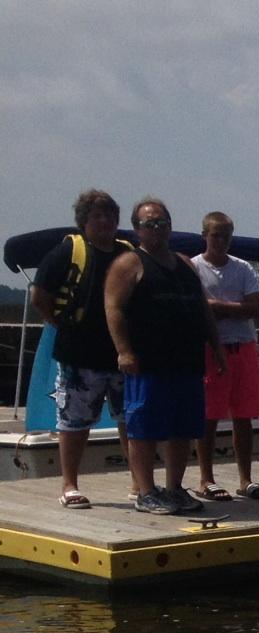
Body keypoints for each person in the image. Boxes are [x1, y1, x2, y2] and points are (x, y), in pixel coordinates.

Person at [104, 198, 224, 515]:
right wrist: (124, 351)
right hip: (148, 362)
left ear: (169, 226)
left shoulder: (185, 263)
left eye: (161, 223)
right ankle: (146, 491)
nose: (156, 229)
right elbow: (113, 309)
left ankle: (174, 488)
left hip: (186, 360)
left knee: (182, 429)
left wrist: (216, 344)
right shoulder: (129, 264)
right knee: (143, 429)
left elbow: (202, 308)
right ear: (137, 230)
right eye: (149, 224)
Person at [29, 189, 129, 509]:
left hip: (122, 353)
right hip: (78, 354)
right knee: (74, 423)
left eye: (110, 215)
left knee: (132, 419)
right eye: (97, 216)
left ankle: (141, 483)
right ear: (84, 221)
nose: (105, 222)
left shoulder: (128, 253)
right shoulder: (68, 252)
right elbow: (39, 296)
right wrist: (60, 323)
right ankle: (69, 484)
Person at [191, 211, 259, 500]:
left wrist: (218, 307)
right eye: (216, 235)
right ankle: (206, 478)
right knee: (209, 416)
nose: (221, 241)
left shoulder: (243, 268)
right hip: (212, 348)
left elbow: (256, 308)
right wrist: (232, 308)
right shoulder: (195, 268)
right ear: (205, 236)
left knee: (244, 415)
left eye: (226, 236)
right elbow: (198, 309)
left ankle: (245, 478)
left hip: (244, 346)